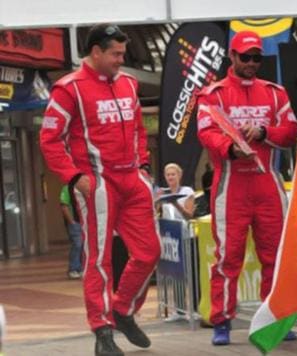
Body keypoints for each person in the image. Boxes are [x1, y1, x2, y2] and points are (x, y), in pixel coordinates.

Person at [39, 24, 160, 356]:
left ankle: (122, 310)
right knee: (99, 260)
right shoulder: (68, 89)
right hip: (96, 183)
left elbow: (138, 128)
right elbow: (49, 139)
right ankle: (102, 330)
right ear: (96, 52)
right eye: (116, 54)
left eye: (123, 53)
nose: (121, 60)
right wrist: (74, 176)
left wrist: (144, 166)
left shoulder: (128, 84)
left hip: (132, 180)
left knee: (150, 252)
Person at [196, 30, 297, 346]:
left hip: (268, 181)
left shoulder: (274, 93)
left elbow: (290, 131)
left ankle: (275, 318)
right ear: (232, 56)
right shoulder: (212, 94)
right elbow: (206, 133)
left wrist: (263, 131)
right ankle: (222, 321)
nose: (252, 63)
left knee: (275, 256)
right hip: (231, 184)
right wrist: (230, 147)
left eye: (257, 57)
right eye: (246, 57)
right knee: (228, 256)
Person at [60, 184, 83, 280]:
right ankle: (73, 269)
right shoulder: (67, 188)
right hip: (75, 223)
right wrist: (72, 222)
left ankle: (80, 268)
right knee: (77, 244)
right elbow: (64, 206)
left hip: (85, 222)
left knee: (84, 246)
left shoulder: (84, 187)